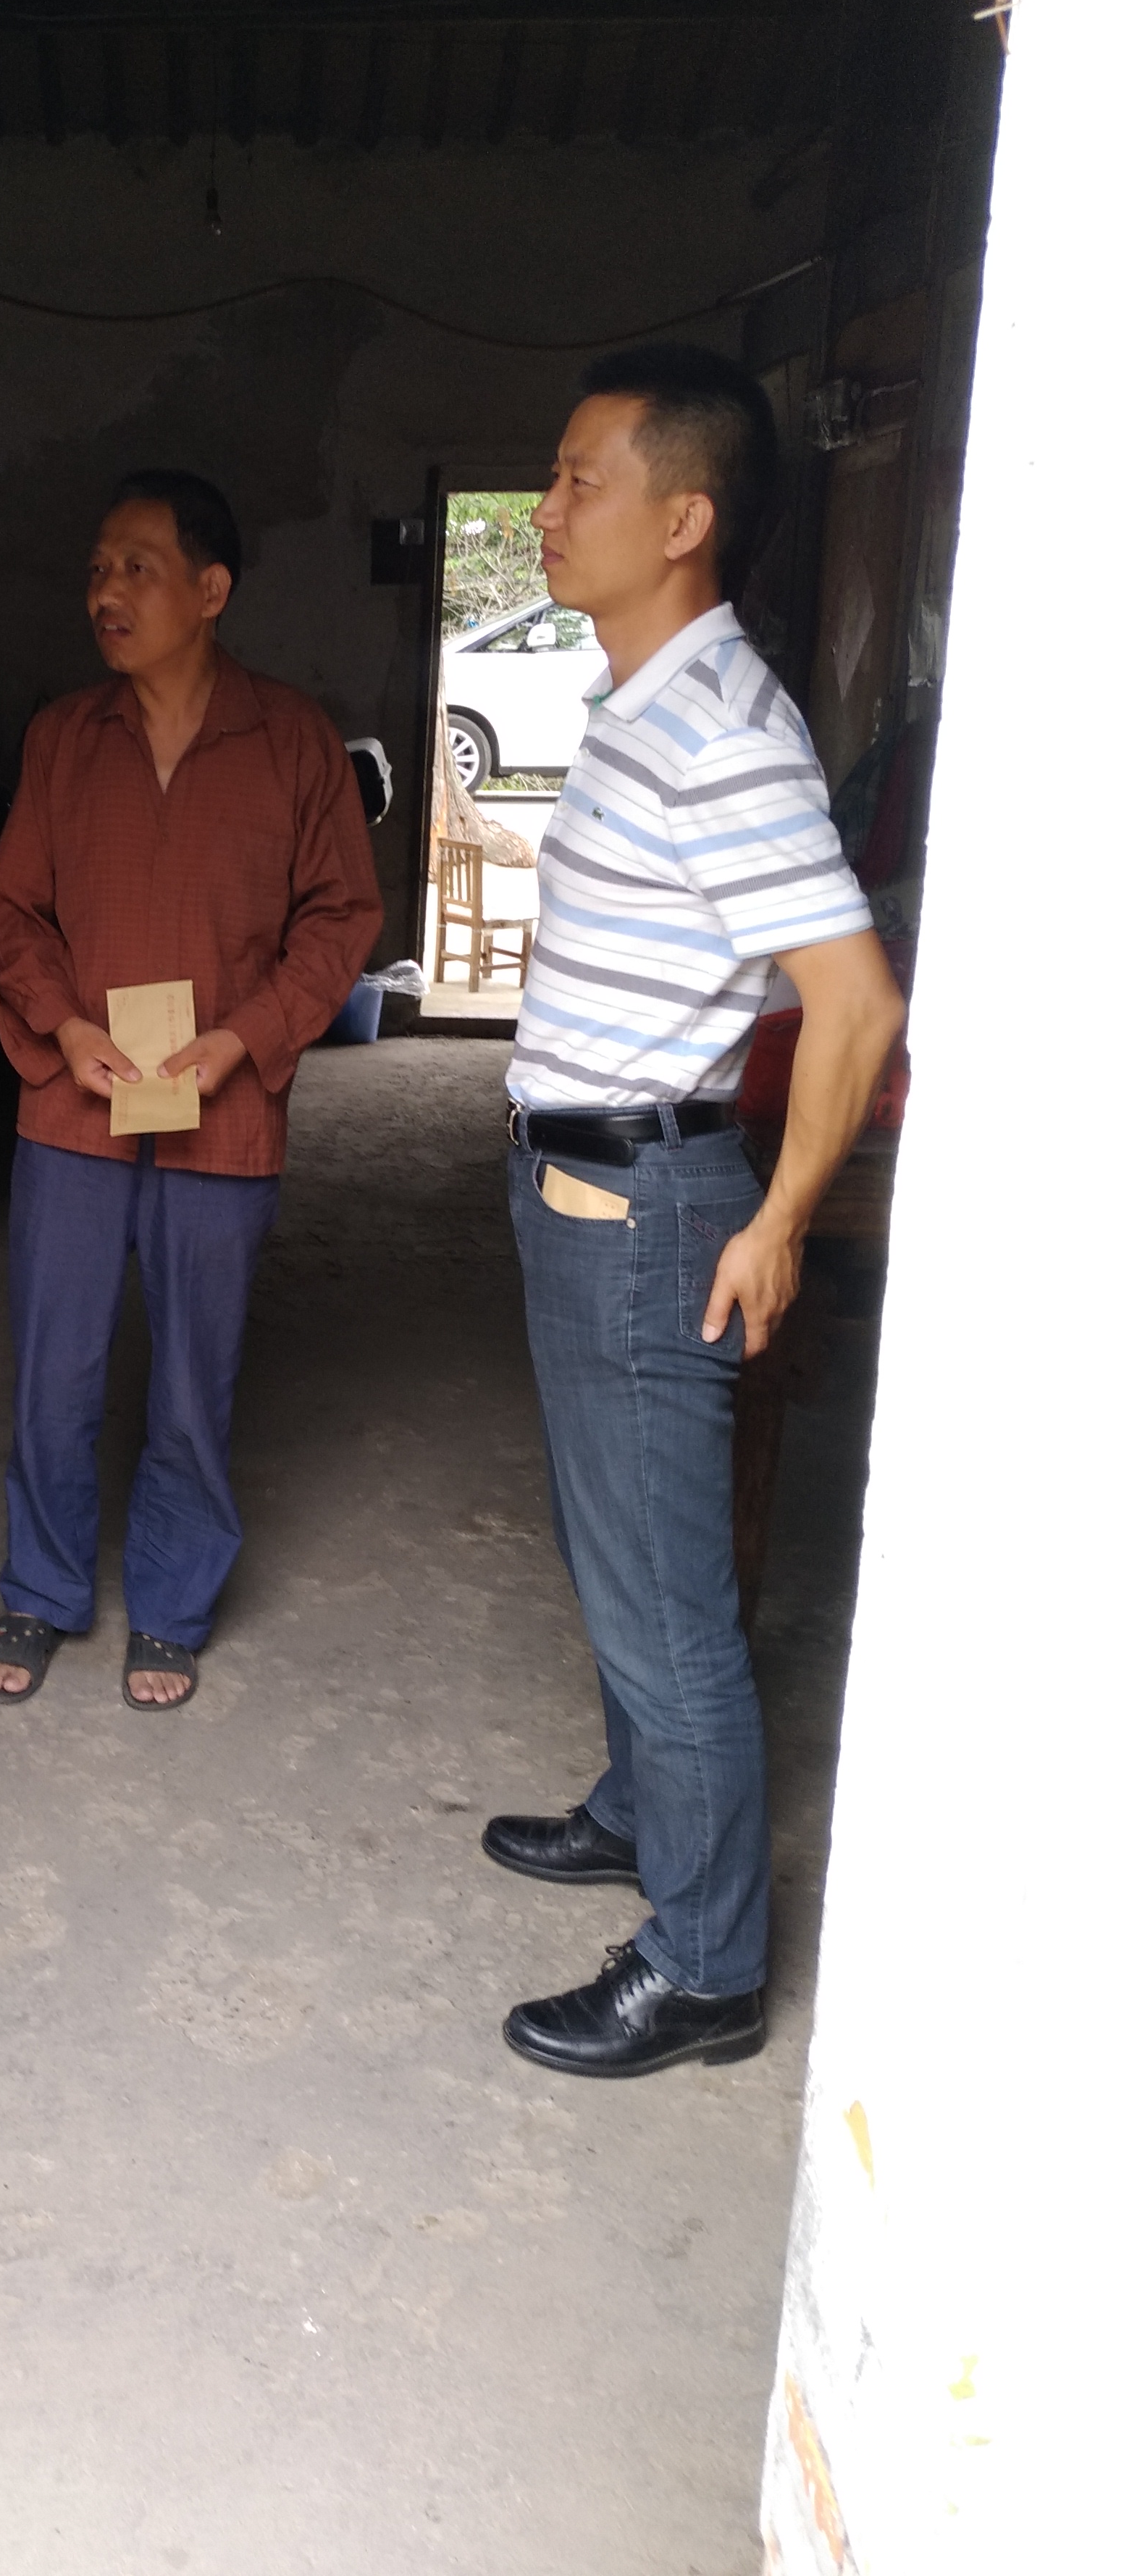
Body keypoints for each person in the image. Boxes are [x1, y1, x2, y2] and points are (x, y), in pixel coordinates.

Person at [485, 344, 905, 2079]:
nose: (547, 507)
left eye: (580, 477)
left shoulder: (722, 729)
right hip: (582, 1182)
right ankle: (642, 1810)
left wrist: (783, 1214)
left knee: (669, 1600)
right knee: (613, 1542)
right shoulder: (642, 700)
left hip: (650, 1206)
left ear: (685, 518)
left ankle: (708, 1961)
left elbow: (856, 1000)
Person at [0, 472, 381, 1712]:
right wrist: (63, 1024)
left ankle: (173, 1602)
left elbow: (341, 916)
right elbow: (11, 907)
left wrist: (245, 1038)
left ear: (211, 591)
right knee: (54, 1366)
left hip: (225, 1106)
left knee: (197, 1378)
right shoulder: (64, 737)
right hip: (76, 1103)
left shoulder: (293, 741)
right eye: (98, 568)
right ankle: (42, 1587)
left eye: (137, 568)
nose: (107, 591)